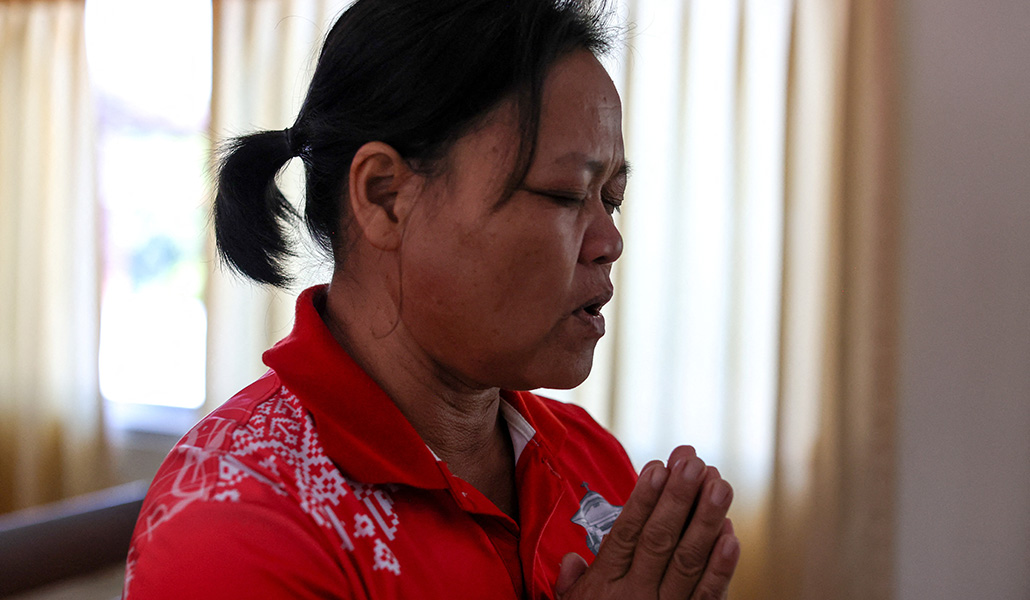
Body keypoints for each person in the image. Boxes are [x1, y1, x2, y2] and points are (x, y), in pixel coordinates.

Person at [123, 1, 740, 598]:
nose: (610, 242)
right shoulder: (236, 522)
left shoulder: (585, 458)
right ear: (386, 196)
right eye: (564, 195)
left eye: (612, 198)